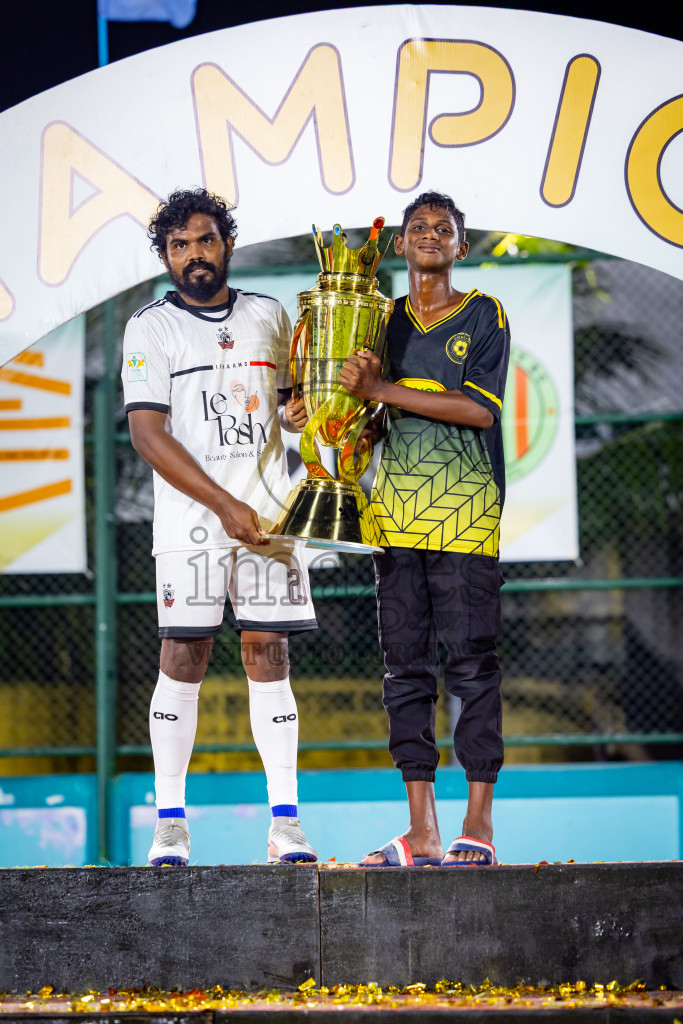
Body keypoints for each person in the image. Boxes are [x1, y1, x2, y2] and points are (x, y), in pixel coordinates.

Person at [121, 188, 318, 867]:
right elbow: (148, 436)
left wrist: (296, 412)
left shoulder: (269, 314)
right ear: (166, 256)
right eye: (179, 245)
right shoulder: (150, 328)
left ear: (227, 244)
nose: (194, 255)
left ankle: (285, 825)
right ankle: (170, 825)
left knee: (269, 657)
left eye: (204, 240)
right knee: (184, 659)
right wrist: (223, 505)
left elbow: (288, 405)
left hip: (268, 519)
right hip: (193, 524)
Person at [339, 191, 510, 866]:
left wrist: (380, 391)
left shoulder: (484, 313)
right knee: (404, 671)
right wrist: (328, 411)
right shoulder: (380, 321)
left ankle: (479, 824)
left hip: (466, 514)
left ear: (460, 246)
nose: (430, 235)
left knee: (472, 666)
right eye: (418, 227)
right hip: (394, 517)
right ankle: (422, 831)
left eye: (444, 228)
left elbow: (479, 411)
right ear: (401, 245)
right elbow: (367, 417)